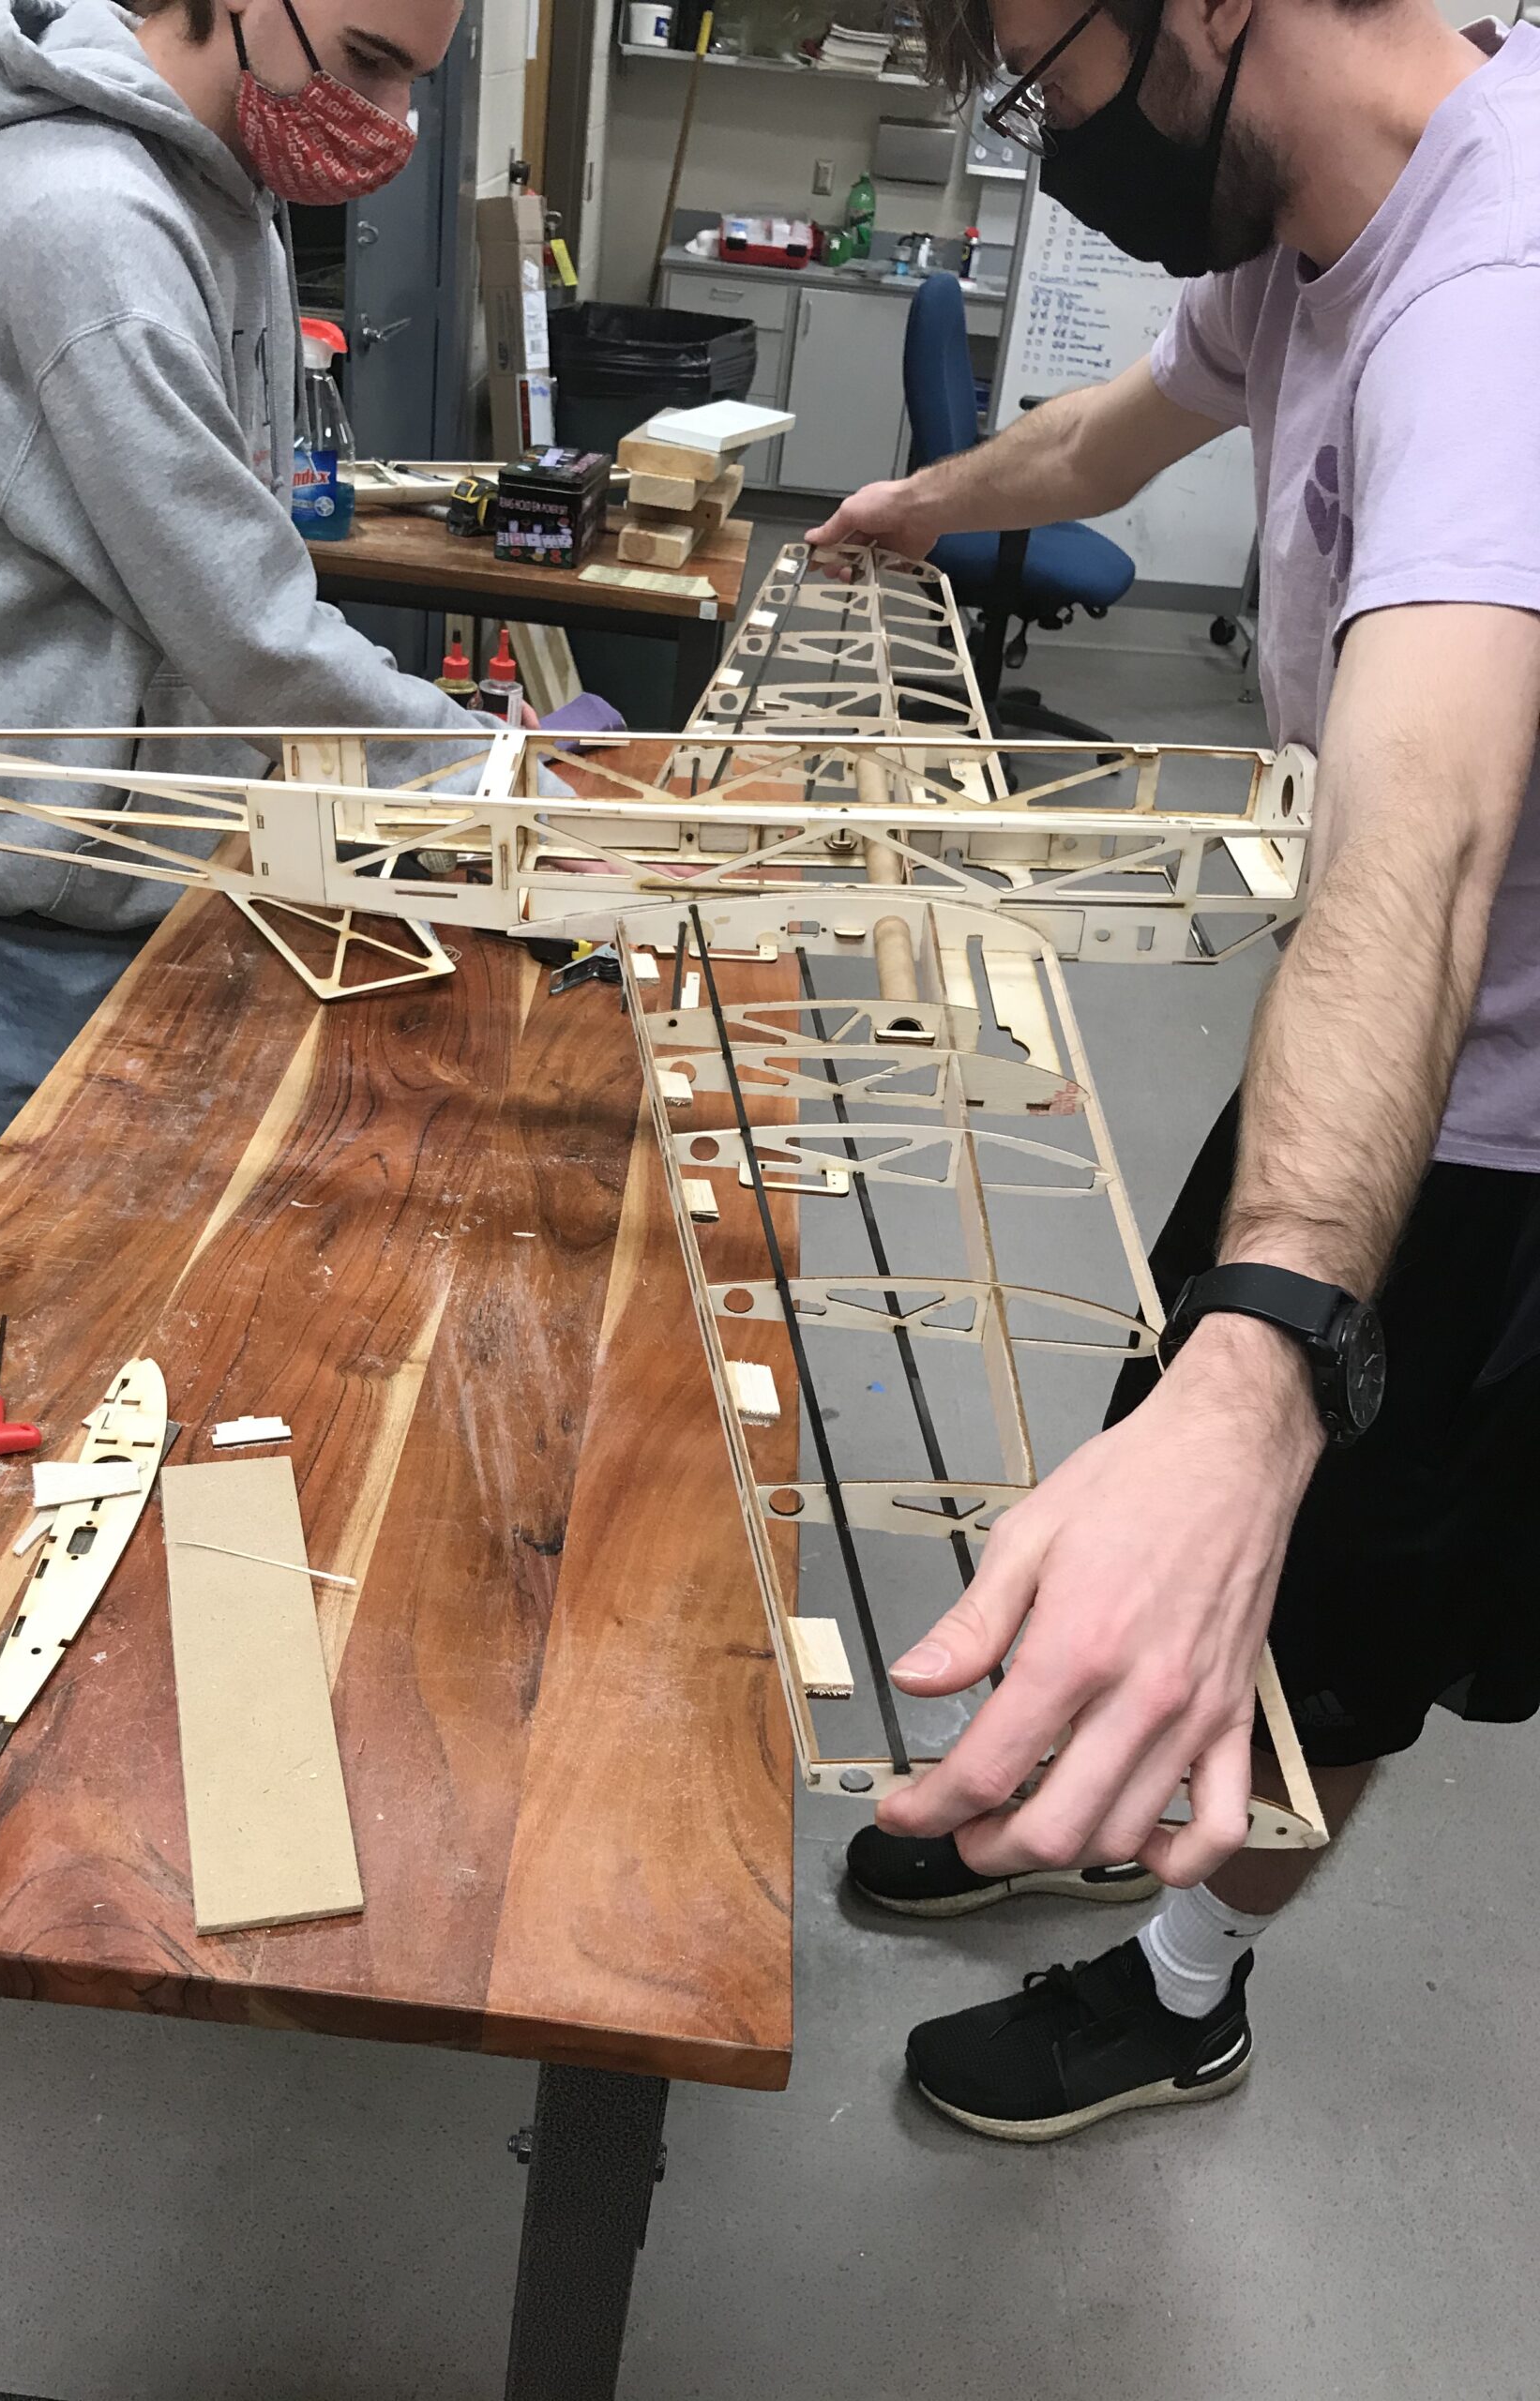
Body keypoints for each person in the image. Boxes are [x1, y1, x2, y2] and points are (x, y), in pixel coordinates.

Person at [809, 0, 1540, 2141]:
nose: (1048, 146)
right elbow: (1112, 437)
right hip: (1384, 1024)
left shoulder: (1496, 303)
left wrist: (1274, 1361)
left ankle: (1186, 1977)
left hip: (1504, 1121)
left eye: (1048, 79)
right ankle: (1096, 1769)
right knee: (1166, 1409)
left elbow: (1429, 831)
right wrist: (917, 504)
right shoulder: (1305, 223)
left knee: (1332, 1614)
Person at [0, 0, 499, 1231]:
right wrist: (501, 784)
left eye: (414, 83)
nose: (392, 124)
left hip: (129, 861)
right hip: (9, 886)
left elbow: (233, 563)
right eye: (367, 66)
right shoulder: (85, 225)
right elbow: (248, 631)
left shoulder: (231, 192)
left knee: (144, 1284)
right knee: (22, 1309)